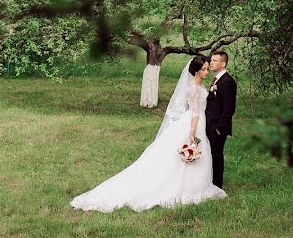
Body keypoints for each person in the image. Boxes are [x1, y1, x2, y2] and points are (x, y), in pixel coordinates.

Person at [70, 55, 227, 212]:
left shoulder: (198, 86)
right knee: (188, 154)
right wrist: (192, 134)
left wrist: (211, 91)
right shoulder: (193, 88)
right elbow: (194, 112)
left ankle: (193, 185)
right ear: (196, 71)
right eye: (204, 69)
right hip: (194, 123)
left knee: (193, 158)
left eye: (207, 69)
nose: (207, 72)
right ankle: (185, 187)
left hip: (197, 122)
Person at [205, 51, 236, 189]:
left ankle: (217, 186)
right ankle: (209, 182)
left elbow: (229, 109)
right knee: (210, 155)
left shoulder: (228, 82)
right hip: (209, 124)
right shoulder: (217, 80)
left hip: (217, 127)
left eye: (215, 60)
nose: (211, 62)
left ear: (223, 64)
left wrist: (219, 128)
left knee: (216, 156)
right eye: (211, 60)